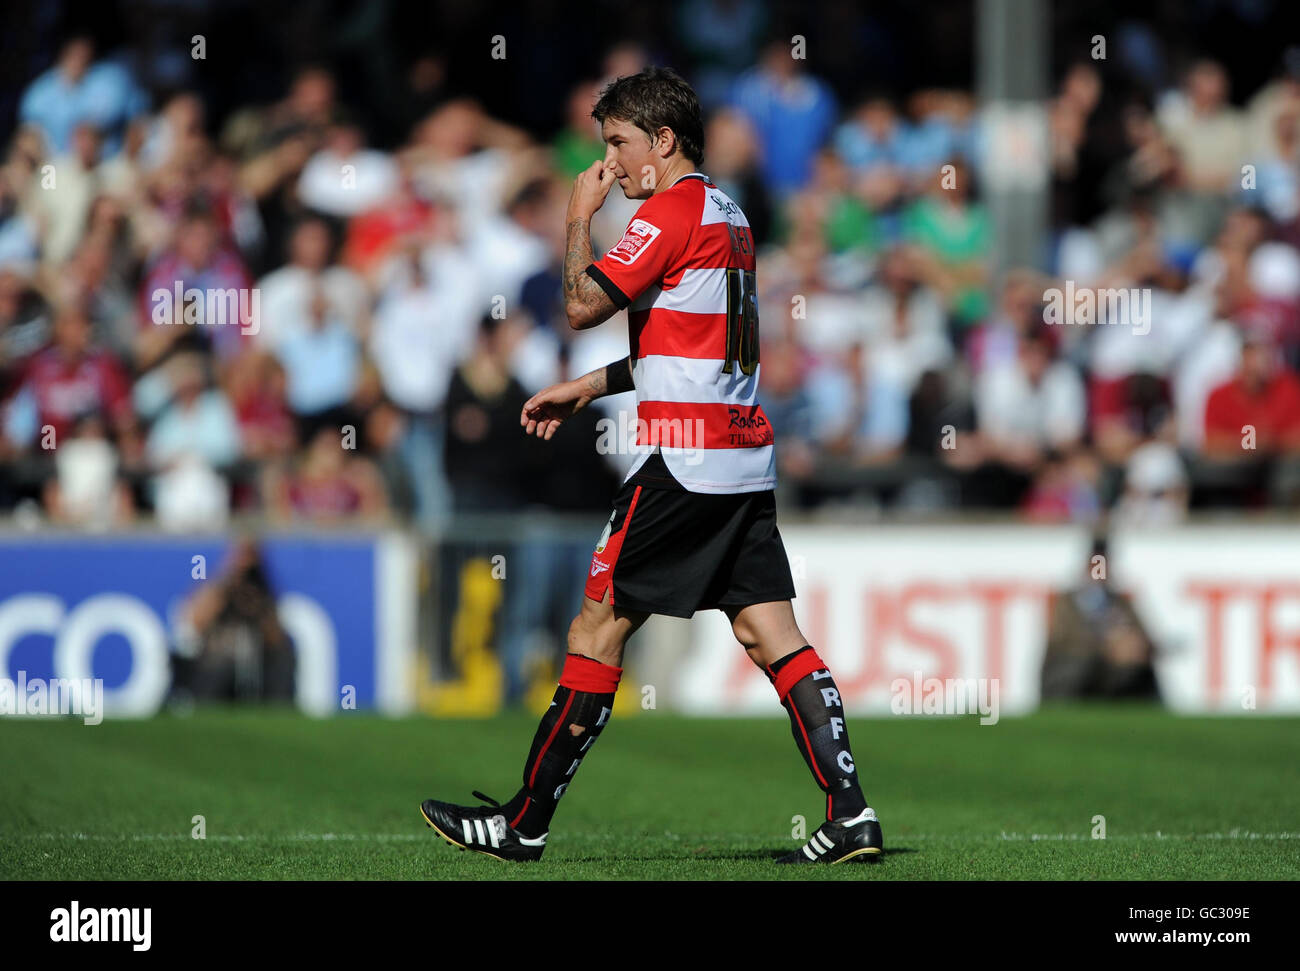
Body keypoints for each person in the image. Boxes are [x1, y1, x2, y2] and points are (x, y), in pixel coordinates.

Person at [420, 67, 882, 865]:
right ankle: (852, 815)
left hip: (684, 460)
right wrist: (586, 385)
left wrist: (575, 220)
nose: (610, 163)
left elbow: (578, 305)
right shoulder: (729, 213)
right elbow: (683, 347)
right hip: (742, 456)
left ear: (663, 141)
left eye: (619, 143)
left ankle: (523, 823)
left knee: (595, 627)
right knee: (772, 631)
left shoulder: (668, 211)